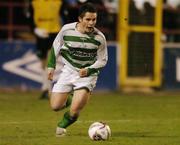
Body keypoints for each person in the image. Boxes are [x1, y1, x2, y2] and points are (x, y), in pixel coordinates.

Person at [47, 2, 108, 136]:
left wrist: (89, 69)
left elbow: (103, 60)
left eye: (94, 19)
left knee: (74, 110)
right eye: (88, 19)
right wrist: (51, 66)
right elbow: (56, 45)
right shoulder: (66, 30)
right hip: (68, 71)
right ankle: (72, 98)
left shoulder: (99, 37)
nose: (91, 23)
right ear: (80, 19)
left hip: (87, 75)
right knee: (55, 106)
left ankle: (62, 126)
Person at [26, 0, 62, 99]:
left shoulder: (58, 2)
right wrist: (35, 29)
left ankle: (48, 89)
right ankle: (45, 87)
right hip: (40, 33)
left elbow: (65, 17)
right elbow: (29, 18)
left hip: (54, 33)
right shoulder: (34, 2)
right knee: (43, 61)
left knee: (50, 59)